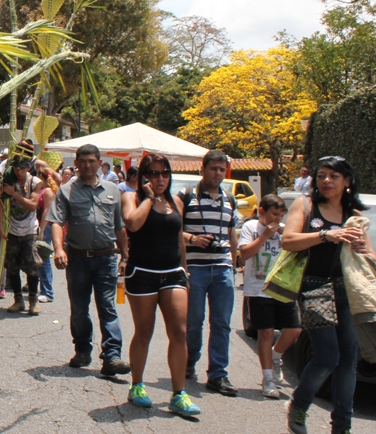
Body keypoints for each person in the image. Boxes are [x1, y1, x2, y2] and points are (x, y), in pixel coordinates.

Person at [282, 156, 372, 434]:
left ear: (347, 181)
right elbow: (288, 240)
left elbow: (369, 252)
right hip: (314, 285)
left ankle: (341, 430)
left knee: (349, 360)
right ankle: (299, 405)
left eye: (334, 176)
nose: (327, 181)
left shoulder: (353, 213)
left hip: (347, 288)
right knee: (327, 356)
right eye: (322, 175)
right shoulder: (305, 206)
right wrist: (325, 235)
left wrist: (363, 247)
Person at [120, 153, 200, 417]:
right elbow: (132, 223)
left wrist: (185, 271)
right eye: (153, 173)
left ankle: (179, 393)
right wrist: (150, 197)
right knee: (144, 331)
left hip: (173, 273)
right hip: (142, 272)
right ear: (144, 176)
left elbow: (179, 239)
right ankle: (137, 386)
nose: (160, 179)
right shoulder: (131, 198)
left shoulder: (176, 201)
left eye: (165, 173)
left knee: (179, 331)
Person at [47, 144, 131, 377]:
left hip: (106, 259)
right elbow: (55, 222)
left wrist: (125, 255)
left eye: (91, 161)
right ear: (77, 162)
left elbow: (120, 227)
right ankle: (82, 350)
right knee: (80, 309)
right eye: (83, 161)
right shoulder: (67, 190)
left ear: (98, 162)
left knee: (108, 307)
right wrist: (58, 249)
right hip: (77, 259)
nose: (87, 165)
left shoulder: (113, 190)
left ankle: (112, 356)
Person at [177, 150, 239, 396]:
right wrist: (192, 238)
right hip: (195, 268)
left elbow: (232, 232)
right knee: (193, 321)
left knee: (222, 323)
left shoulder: (229, 199)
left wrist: (233, 262)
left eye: (222, 169)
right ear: (203, 168)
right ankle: (190, 359)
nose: (217, 173)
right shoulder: (186, 196)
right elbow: (174, 228)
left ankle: (217, 374)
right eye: (213, 168)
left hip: (222, 268)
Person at [237, 194, 299, 399]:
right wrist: (264, 236)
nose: (277, 219)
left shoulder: (285, 230)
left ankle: (275, 356)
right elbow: (244, 255)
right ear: (262, 212)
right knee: (266, 333)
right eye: (274, 214)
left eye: (281, 215)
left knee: (294, 329)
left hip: (282, 287)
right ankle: (268, 379)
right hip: (258, 288)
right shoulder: (251, 227)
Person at [1, 157, 43, 315]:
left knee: (31, 266)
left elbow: (32, 206)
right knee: (12, 266)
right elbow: (1, 205)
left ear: (28, 167)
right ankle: (18, 300)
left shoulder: (35, 182)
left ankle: (33, 299)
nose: (19, 172)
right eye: (16, 168)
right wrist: (1, 228)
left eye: (22, 168)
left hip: (29, 230)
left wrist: (13, 194)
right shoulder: (9, 179)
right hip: (12, 229)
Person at [36, 167, 57, 303]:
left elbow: (47, 211)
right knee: (39, 259)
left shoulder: (48, 191)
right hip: (40, 226)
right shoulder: (41, 190)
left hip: (46, 226)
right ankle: (43, 288)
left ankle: (48, 291)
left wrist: (42, 230)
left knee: (44, 258)